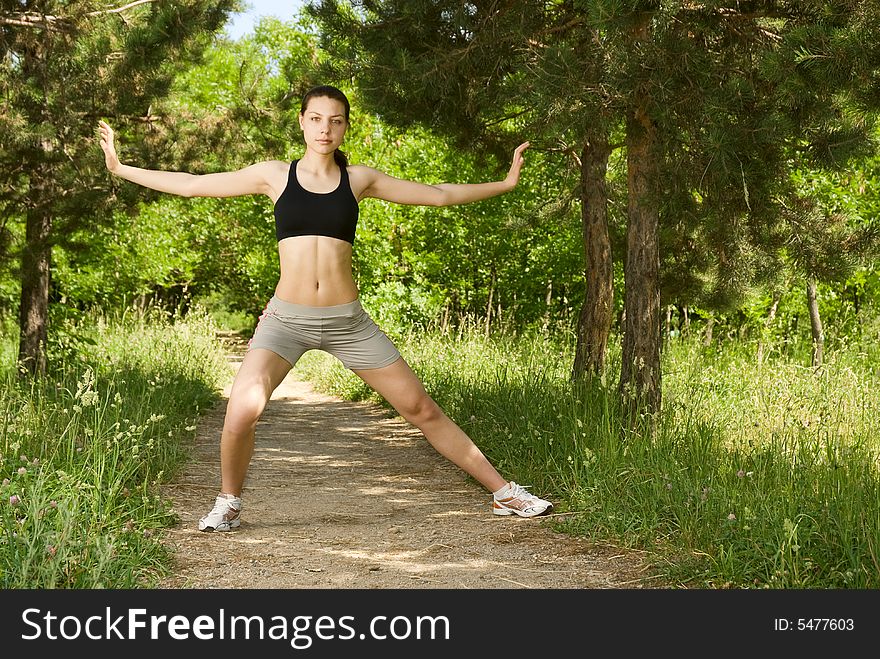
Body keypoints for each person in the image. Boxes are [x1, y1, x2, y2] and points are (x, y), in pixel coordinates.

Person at [98, 85, 552, 532]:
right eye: (316, 118)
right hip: (285, 322)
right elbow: (193, 186)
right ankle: (229, 501)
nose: (325, 128)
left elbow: (437, 193)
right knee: (241, 411)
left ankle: (504, 493)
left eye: (335, 120)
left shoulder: (360, 180)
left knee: (421, 408)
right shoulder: (274, 175)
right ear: (301, 121)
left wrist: (506, 183)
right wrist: (120, 168)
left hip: (347, 323)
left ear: (345, 127)